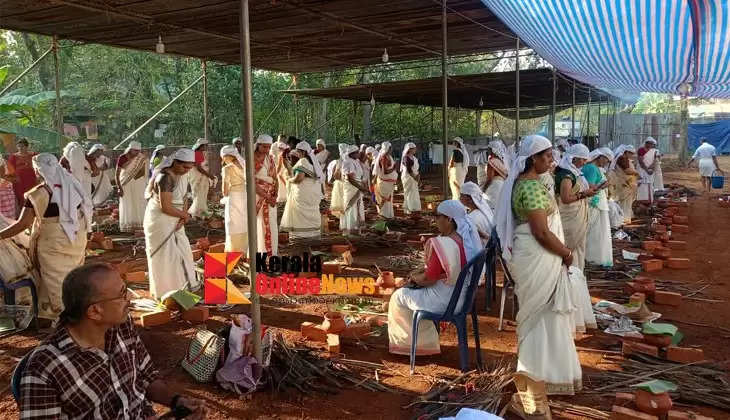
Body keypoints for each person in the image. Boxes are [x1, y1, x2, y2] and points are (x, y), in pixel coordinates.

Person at [19, 263, 206, 419]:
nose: (130, 298)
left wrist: (177, 402)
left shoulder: (121, 327)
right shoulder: (44, 369)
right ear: (94, 311)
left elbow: (147, 376)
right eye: (122, 293)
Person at [495, 135, 581, 418]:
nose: (550, 161)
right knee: (540, 314)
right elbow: (541, 233)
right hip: (537, 255)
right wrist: (567, 253)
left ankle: (545, 373)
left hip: (540, 256)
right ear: (533, 159)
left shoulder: (534, 184)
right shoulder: (529, 187)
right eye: (545, 157)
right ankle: (534, 373)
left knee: (547, 314)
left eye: (551, 156)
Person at [0, 153, 91, 321]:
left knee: (56, 281)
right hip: (76, 238)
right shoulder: (72, 183)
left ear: (38, 171)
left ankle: (67, 320)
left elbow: (23, 224)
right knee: (72, 276)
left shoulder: (38, 193)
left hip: (53, 242)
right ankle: (65, 313)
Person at [387, 200, 480, 356]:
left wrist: (413, 278)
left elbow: (429, 279)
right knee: (411, 292)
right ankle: (425, 341)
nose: (435, 221)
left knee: (398, 296)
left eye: (437, 217)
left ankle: (413, 345)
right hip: (463, 299)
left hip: (446, 302)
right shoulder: (466, 240)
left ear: (449, 219)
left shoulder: (442, 244)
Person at [144, 148, 201, 298]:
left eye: (189, 168)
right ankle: (166, 292)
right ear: (175, 162)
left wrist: (183, 217)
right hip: (160, 221)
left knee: (183, 252)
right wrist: (185, 215)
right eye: (184, 167)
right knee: (166, 256)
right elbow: (166, 207)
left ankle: (182, 289)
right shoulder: (165, 178)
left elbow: (184, 198)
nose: (186, 171)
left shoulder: (183, 174)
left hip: (176, 217)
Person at [555, 143, 597, 271]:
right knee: (569, 246)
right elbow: (566, 198)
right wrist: (584, 194)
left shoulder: (575, 172)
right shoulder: (566, 175)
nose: (584, 163)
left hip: (578, 215)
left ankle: (577, 275)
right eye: (583, 159)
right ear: (574, 158)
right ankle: (567, 276)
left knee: (578, 247)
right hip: (570, 215)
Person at [281, 141, 323, 239]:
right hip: (312, 193)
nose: (298, 154)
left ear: (303, 152)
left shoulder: (303, 161)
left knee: (300, 215)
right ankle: (312, 237)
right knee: (311, 212)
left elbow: (299, 178)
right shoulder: (313, 162)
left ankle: (300, 238)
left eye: (298, 152)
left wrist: (290, 180)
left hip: (303, 193)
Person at [583, 148, 614, 267]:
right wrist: (603, 185)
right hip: (595, 203)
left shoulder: (594, 168)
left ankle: (594, 257)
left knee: (598, 231)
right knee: (595, 232)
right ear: (600, 157)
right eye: (606, 160)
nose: (606, 163)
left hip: (598, 202)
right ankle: (593, 258)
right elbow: (590, 187)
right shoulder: (591, 168)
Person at [115, 141, 149, 233]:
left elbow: (144, 173)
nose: (137, 153)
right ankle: (129, 227)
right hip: (126, 184)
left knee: (140, 202)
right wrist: (119, 187)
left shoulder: (141, 158)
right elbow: (117, 174)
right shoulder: (122, 157)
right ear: (130, 150)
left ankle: (141, 225)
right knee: (128, 204)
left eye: (138, 151)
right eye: (135, 151)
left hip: (138, 184)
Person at [220, 145, 248, 254]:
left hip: (234, 197)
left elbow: (224, 191)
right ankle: (246, 251)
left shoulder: (227, 169)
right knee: (244, 223)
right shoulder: (245, 164)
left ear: (227, 156)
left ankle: (234, 252)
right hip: (245, 195)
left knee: (233, 224)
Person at [254, 134, 278, 255]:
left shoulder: (270, 158)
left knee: (271, 225)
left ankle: (272, 253)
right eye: (264, 147)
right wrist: (267, 196)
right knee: (261, 225)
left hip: (270, 195)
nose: (267, 150)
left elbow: (275, 178)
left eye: (269, 147)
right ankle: (262, 254)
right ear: (258, 145)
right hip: (258, 196)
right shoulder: (252, 159)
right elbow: (251, 183)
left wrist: (275, 196)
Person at [340, 145, 369, 236]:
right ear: (352, 153)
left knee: (357, 207)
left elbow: (359, 176)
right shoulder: (348, 162)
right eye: (357, 153)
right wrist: (361, 188)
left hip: (357, 187)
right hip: (352, 188)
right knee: (351, 207)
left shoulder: (355, 161)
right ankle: (350, 229)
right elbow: (351, 179)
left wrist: (362, 185)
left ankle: (356, 229)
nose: (359, 154)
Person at [607, 145, 638, 224]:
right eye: (630, 153)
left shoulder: (624, 158)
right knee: (624, 200)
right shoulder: (622, 158)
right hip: (620, 182)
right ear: (626, 152)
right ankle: (624, 218)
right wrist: (636, 173)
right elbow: (627, 171)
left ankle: (625, 217)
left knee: (625, 200)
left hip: (622, 182)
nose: (631, 155)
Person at [460, 181, 494, 247]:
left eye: (461, 195)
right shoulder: (484, 212)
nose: (459, 198)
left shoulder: (471, 218)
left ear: (470, 199)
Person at [188, 138, 216, 218]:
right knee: (199, 194)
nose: (206, 147)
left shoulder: (198, 153)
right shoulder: (197, 153)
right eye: (205, 145)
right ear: (201, 146)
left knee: (199, 194)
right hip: (198, 175)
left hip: (197, 175)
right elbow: (199, 168)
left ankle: (200, 211)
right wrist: (209, 175)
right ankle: (198, 213)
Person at [7, 137, 37, 206]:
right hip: (19, 182)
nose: (20, 148)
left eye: (22, 146)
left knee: (33, 197)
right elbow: (10, 170)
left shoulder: (34, 155)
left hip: (32, 180)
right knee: (21, 199)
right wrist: (14, 179)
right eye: (18, 146)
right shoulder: (13, 157)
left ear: (27, 146)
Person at [373, 141, 398, 218]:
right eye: (390, 148)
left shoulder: (388, 156)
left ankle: (388, 217)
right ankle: (384, 217)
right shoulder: (383, 157)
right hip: (384, 183)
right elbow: (385, 172)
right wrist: (394, 168)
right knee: (385, 200)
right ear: (387, 148)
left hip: (388, 183)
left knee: (389, 200)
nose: (391, 149)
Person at [483, 140, 509, 213]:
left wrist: (483, 190)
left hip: (494, 187)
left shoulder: (491, 161)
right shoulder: (501, 161)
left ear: (493, 150)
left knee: (490, 209)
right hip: (502, 185)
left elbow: (489, 178)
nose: (487, 150)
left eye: (489, 149)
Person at [401, 142, 421, 215]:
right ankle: (409, 208)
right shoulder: (406, 158)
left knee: (414, 192)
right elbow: (409, 170)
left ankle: (414, 207)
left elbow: (416, 168)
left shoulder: (414, 158)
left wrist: (418, 176)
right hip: (408, 177)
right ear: (410, 149)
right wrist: (414, 177)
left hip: (414, 177)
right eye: (414, 149)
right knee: (409, 192)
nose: (415, 150)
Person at [636, 137, 658, 203]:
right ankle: (641, 200)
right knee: (642, 184)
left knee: (650, 184)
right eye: (650, 143)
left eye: (652, 144)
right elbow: (641, 162)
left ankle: (649, 200)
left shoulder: (653, 151)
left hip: (650, 170)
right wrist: (646, 170)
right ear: (646, 143)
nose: (651, 145)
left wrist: (652, 169)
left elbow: (654, 161)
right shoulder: (641, 150)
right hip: (642, 169)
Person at [328, 144, 347, 217]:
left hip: (342, 184)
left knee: (343, 203)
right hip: (347, 184)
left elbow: (336, 176)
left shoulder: (340, 161)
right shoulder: (353, 160)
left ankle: (343, 219)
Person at [274, 140, 292, 206]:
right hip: (287, 169)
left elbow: (279, 165)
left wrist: (276, 173)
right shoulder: (288, 154)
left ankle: (283, 197)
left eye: (279, 148)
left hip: (283, 170)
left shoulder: (281, 155)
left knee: (281, 182)